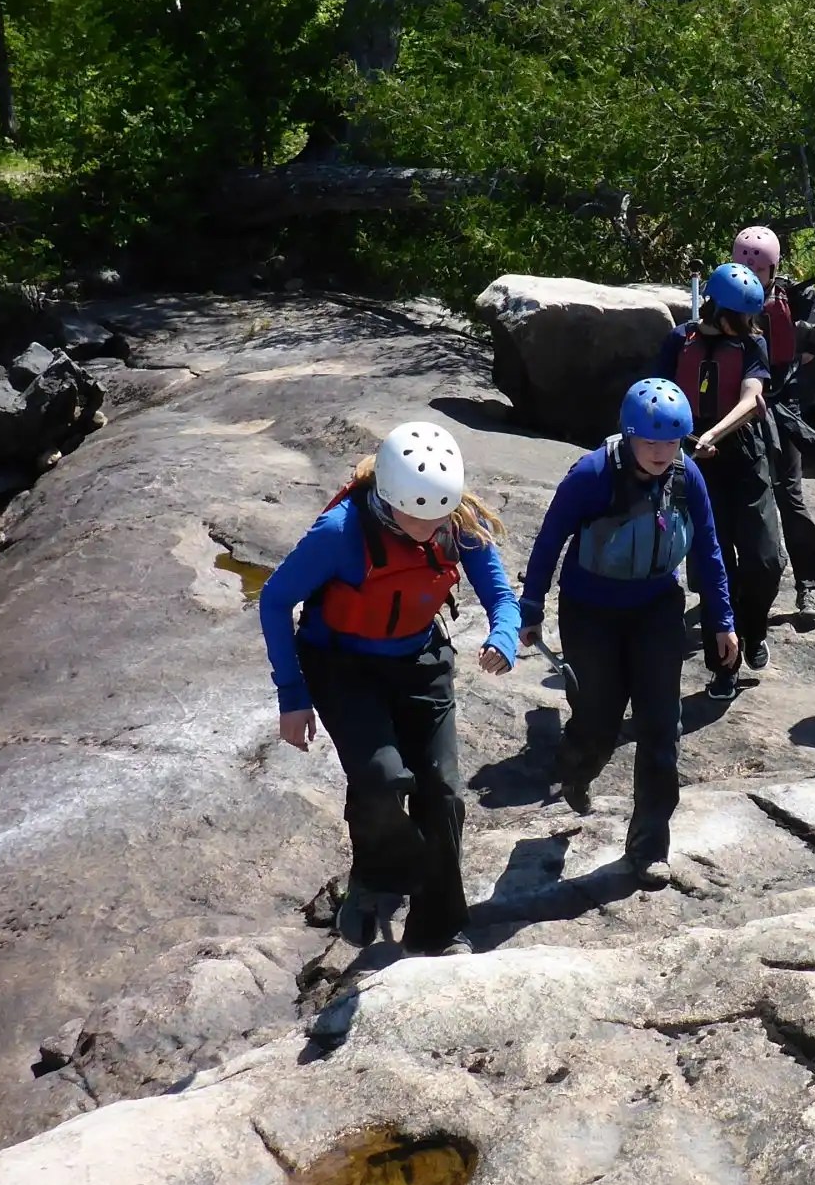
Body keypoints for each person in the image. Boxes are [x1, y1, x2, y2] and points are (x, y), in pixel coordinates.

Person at [261, 421, 519, 955]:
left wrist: (505, 634)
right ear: (389, 497)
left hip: (420, 657)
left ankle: (437, 932)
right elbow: (274, 599)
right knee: (381, 776)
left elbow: (499, 591)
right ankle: (380, 877)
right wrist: (293, 696)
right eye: (415, 516)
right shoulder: (340, 532)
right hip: (342, 663)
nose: (428, 529)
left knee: (443, 793)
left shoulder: (456, 521)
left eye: (437, 516)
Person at [518, 379, 738, 888]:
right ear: (630, 435)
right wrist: (530, 608)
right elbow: (550, 540)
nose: (663, 453)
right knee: (599, 718)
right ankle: (576, 765)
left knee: (663, 727)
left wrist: (722, 620)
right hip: (590, 610)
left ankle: (648, 846)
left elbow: (708, 549)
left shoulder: (687, 476)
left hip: (656, 607)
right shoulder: (592, 475)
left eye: (673, 441)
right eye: (652, 442)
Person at [660, 262, 784, 691]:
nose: (750, 324)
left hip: (743, 454)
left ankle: (754, 628)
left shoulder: (751, 343)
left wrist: (712, 434)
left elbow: (753, 399)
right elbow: (656, 396)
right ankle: (724, 666)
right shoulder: (680, 341)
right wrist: (682, 443)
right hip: (694, 462)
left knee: (766, 559)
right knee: (714, 565)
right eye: (744, 316)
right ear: (719, 311)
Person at [731, 225, 815, 629]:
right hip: (737, 407)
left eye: (759, 271)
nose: (751, 278)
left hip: (780, 403)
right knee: (741, 499)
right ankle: (736, 581)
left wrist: (810, 348)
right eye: (745, 268)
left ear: (773, 269)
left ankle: (806, 583)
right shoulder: (724, 295)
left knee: (789, 495)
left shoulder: (795, 296)